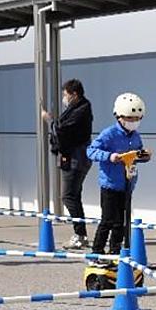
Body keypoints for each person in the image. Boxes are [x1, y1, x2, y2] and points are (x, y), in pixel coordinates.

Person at [86, 93, 150, 256]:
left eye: (137, 118)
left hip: (127, 184)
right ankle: (97, 252)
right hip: (110, 184)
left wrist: (143, 156)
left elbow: (137, 153)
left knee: (121, 222)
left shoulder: (135, 136)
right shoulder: (109, 134)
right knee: (108, 220)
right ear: (119, 116)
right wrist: (109, 156)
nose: (133, 122)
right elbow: (91, 151)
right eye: (129, 118)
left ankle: (116, 251)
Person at [43, 79, 93, 250]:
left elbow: (63, 130)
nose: (64, 98)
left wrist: (49, 120)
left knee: (68, 196)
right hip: (74, 157)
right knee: (74, 195)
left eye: (66, 95)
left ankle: (80, 235)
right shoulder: (78, 108)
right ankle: (80, 233)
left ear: (74, 94)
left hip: (76, 158)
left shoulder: (81, 110)